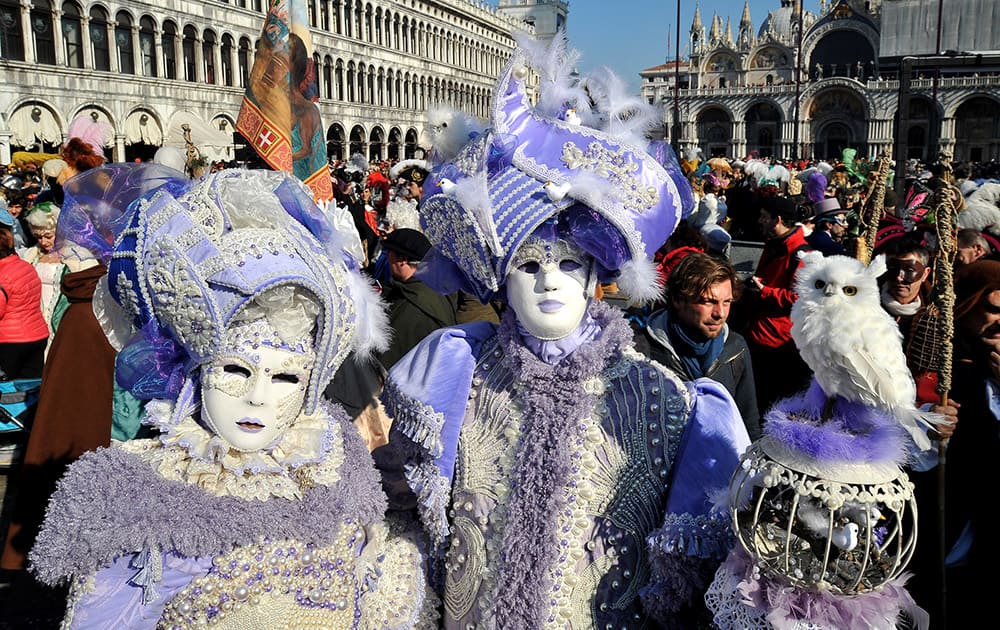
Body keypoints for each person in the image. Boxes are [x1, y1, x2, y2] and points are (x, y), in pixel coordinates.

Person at [376, 36, 750, 628]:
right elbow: (413, 534)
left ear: (597, 276)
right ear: (500, 282)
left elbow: (687, 587)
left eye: (569, 264)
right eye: (528, 265)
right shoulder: (456, 379)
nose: (550, 282)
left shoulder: (668, 401)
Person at [27, 167, 433, 628]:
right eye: (235, 370)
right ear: (196, 372)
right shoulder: (140, 497)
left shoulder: (334, 458)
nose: (258, 398)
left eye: (284, 378)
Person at [634, 252, 761, 439]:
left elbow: (748, 420)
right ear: (678, 300)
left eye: (727, 302)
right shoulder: (641, 350)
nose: (720, 313)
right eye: (708, 302)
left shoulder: (735, 347)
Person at [744, 195, 812, 414]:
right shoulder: (774, 244)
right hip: (759, 333)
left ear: (778, 219)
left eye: (764, 217)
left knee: (771, 402)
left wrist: (765, 292)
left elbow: (801, 297)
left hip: (778, 343)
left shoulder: (801, 254)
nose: (760, 221)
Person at [378, 227, 457, 369]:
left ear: (403, 260)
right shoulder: (435, 288)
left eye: (389, 253)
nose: (387, 257)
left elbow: (386, 359)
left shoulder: (411, 307)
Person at [0, 205, 48, 380]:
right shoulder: (25, 266)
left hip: (10, 341)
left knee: (8, 392)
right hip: (36, 335)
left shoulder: (2, 276)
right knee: (31, 389)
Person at [19, 203, 64, 346]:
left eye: (48, 236)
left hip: (60, 317)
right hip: (33, 317)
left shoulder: (73, 257)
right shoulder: (30, 256)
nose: (43, 242)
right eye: (38, 237)